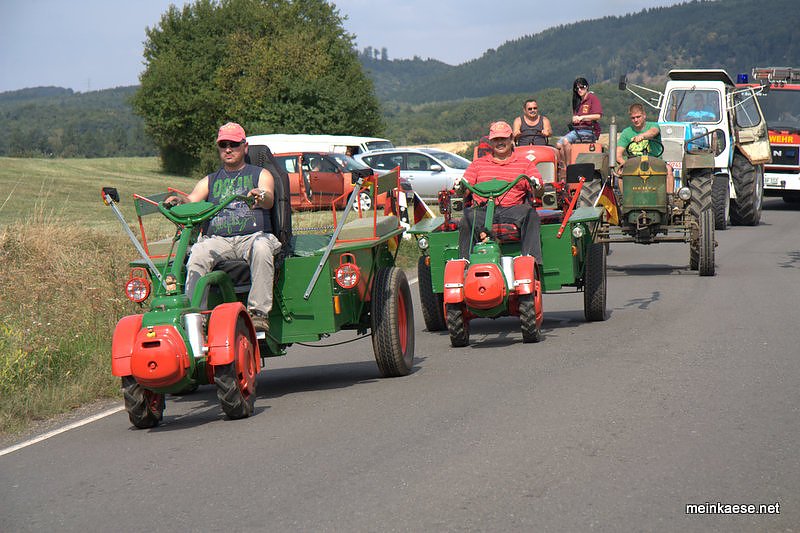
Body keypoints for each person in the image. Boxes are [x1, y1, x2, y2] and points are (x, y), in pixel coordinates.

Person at [167, 122, 280, 333]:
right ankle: (196, 317)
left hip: (253, 236)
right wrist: (178, 200)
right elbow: (191, 200)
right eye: (223, 144)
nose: (228, 149)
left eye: (234, 144)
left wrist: (260, 195)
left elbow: (269, 197)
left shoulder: (260, 174)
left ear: (245, 147)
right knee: (198, 252)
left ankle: (258, 314)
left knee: (263, 247)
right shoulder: (210, 180)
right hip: (219, 240)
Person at [459, 121, 544, 262]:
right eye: (496, 140)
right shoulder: (477, 164)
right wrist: (460, 187)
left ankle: (530, 263)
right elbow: (464, 188)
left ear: (511, 139)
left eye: (503, 139)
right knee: (467, 218)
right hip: (483, 209)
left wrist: (537, 185)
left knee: (531, 214)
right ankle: (465, 263)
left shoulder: (525, 163)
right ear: (491, 142)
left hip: (512, 209)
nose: (500, 143)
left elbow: (538, 190)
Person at [616, 103, 674, 186]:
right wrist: (624, 163)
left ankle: (669, 196)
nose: (636, 120)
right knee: (621, 172)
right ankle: (625, 197)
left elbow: (653, 132)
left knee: (668, 169)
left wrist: (642, 136)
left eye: (638, 117)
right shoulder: (626, 132)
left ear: (644, 116)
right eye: (633, 118)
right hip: (634, 162)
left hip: (655, 160)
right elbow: (618, 154)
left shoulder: (653, 126)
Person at [557, 77, 603, 164]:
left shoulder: (592, 98)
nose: (579, 90)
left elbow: (598, 115)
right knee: (559, 145)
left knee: (566, 141)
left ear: (587, 87)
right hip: (578, 130)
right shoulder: (577, 101)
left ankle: (569, 166)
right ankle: (563, 165)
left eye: (582, 87)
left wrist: (582, 118)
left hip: (589, 130)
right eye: (577, 88)